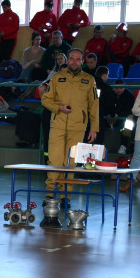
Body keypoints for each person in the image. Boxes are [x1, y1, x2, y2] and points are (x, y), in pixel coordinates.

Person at [40, 48, 98, 193]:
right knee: (55, 160)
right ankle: (50, 194)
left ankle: (65, 195)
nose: (74, 62)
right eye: (72, 58)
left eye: (78, 59)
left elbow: (94, 105)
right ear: (67, 60)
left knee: (71, 162)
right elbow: (45, 99)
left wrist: (94, 128)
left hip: (78, 127)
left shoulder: (89, 80)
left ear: (82, 61)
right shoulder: (57, 78)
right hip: (57, 125)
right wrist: (59, 108)